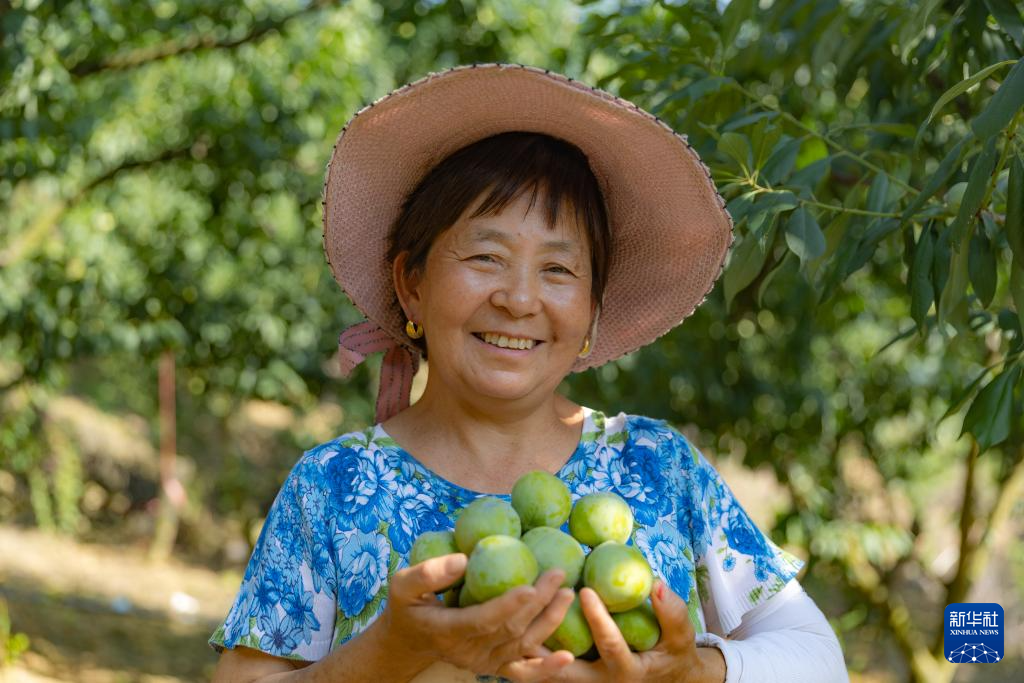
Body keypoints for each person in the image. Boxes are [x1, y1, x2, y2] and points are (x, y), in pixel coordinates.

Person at [208, 63, 849, 683]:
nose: (519, 299)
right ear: (412, 286)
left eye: (559, 270)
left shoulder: (657, 467)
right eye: (486, 255)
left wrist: (693, 673)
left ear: (593, 311)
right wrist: (393, 651)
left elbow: (820, 661)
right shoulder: (335, 487)